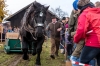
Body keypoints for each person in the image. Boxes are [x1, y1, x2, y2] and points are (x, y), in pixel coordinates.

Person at [69, 0, 96, 66]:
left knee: (74, 58)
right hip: (93, 45)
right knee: (91, 59)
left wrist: (73, 36)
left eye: (76, 9)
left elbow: (82, 30)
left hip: (84, 42)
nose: (75, 11)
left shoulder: (84, 14)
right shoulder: (94, 12)